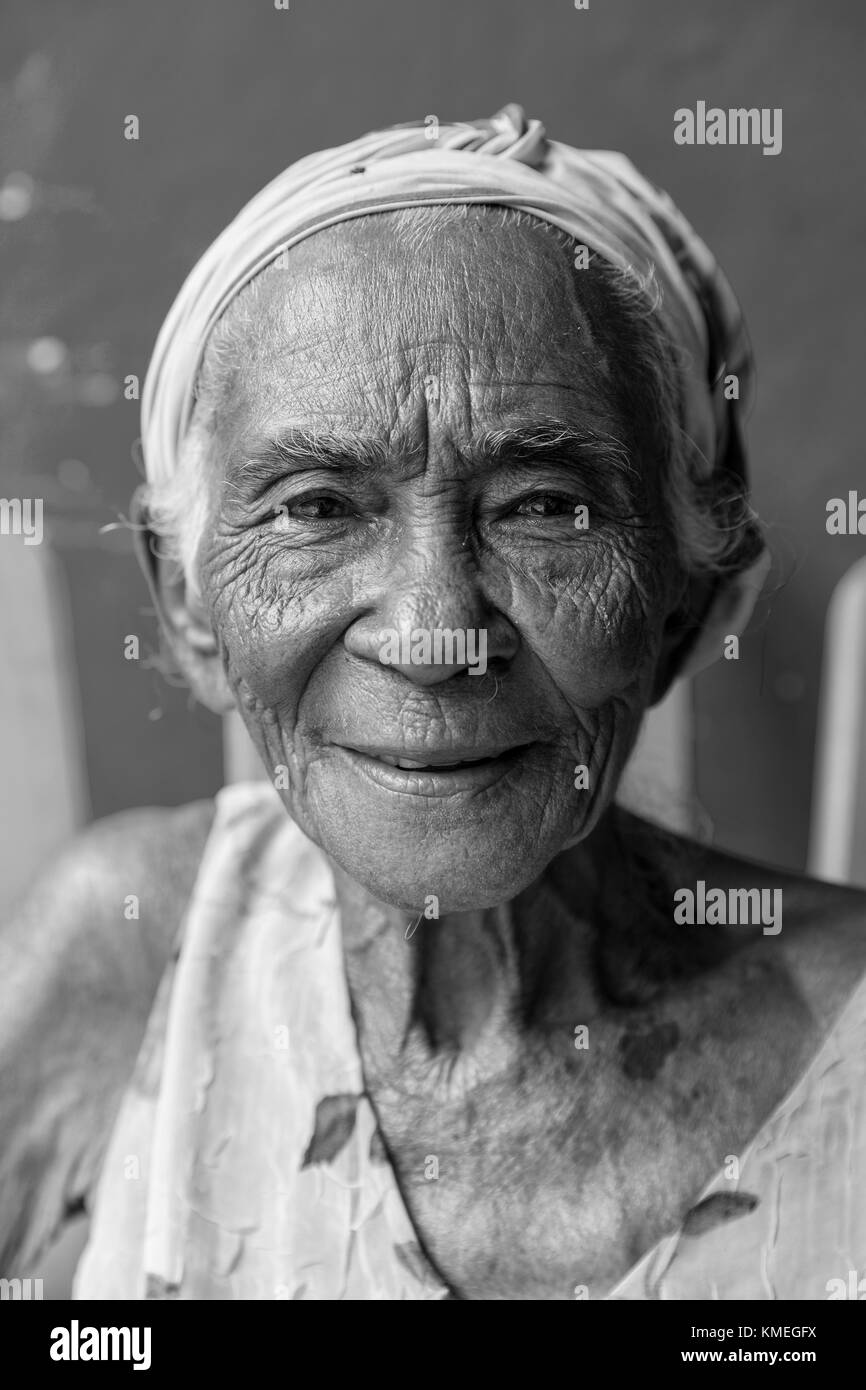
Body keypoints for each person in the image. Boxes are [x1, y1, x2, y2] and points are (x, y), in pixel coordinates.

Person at [2, 106, 865, 1301]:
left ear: (686, 606)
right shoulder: (129, 955)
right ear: (193, 610)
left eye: (542, 505)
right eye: (314, 506)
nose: (431, 632)